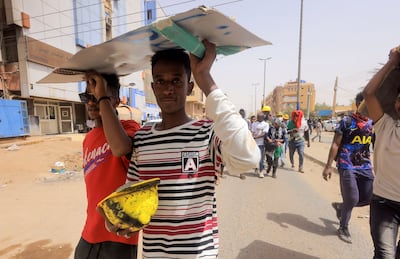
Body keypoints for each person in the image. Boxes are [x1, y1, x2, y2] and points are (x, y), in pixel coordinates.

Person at [87, 40, 260, 258]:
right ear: (153, 88)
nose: (168, 88)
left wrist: (205, 78)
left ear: (189, 86)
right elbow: (133, 195)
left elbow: (249, 158)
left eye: (177, 80)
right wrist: (124, 221)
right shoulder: (143, 138)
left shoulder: (207, 133)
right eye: (160, 81)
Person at [74, 74, 141, 259]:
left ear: (116, 100)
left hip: (119, 237)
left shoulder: (129, 128)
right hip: (90, 232)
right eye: (88, 96)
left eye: (99, 96)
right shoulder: (88, 138)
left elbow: (121, 148)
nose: (92, 102)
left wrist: (102, 97)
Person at [363, 46, 400, 258]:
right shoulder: (385, 125)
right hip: (384, 203)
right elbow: (369, 94)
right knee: (385, 254)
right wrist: (391, 63)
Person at [322, 92, 374, 244]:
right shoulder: (346, 122)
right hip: (347, 164)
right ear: (358, 105)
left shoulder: (373, 123)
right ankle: (343, 227)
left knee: (370, 197)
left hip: (365, 165)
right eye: (365, 104)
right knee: (352, 197)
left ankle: (342, 207)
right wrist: (328, 166)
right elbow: (335, 144)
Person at [252, 111, 270, 178]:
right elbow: (252, 132)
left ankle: (261, 171)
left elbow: (263, 134)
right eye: (258, 117)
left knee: (261, 158)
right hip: (254, 144)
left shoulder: (265, 124)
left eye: (260, 117)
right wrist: (251, 138)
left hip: (261, 144)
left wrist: (255, 137)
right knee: (254, 158)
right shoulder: (254, 124)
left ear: (263, 117)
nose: (258, 118)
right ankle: (256, 168)